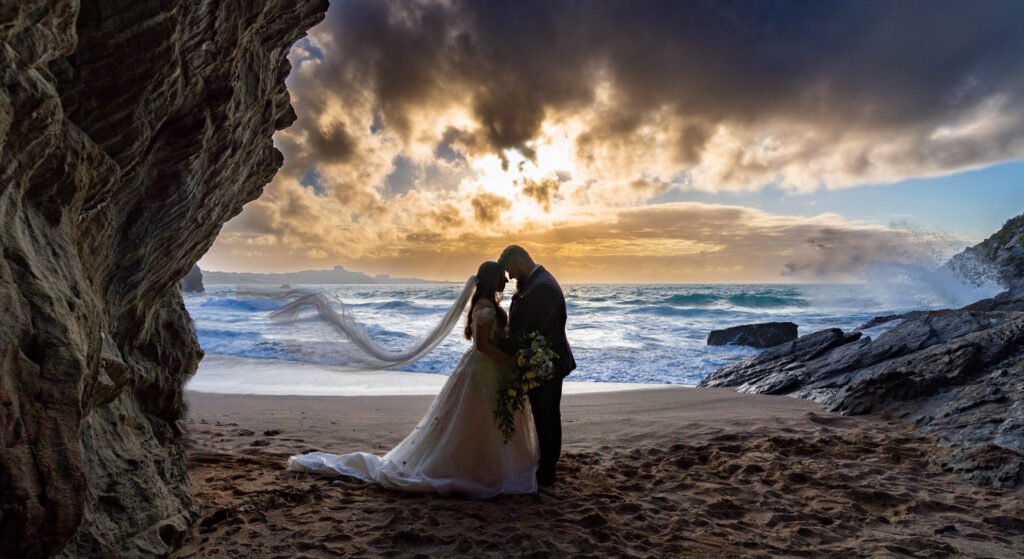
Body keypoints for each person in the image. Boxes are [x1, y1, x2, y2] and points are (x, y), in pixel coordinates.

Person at [286, 262, 539, 498]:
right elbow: (483, 346)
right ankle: (476, 469)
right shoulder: (484, 307)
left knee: (484, 420)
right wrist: (511, 361)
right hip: (483, 369)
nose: (505, 281)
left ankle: (485, 465)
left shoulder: (486, 303)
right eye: (501, 277)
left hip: (485, 369)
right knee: (478, 420)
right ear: (491, 279)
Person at [497, 245, 576, 486]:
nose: (509, 277)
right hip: (539, 360)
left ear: (520, 260)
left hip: (547, 363)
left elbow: (532, 332)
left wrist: (498, 343)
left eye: (510, 270)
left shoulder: (542, 287)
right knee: (542, 415)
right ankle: (544, 464)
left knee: (547, 415)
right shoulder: (534, 283)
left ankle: (548, 470)